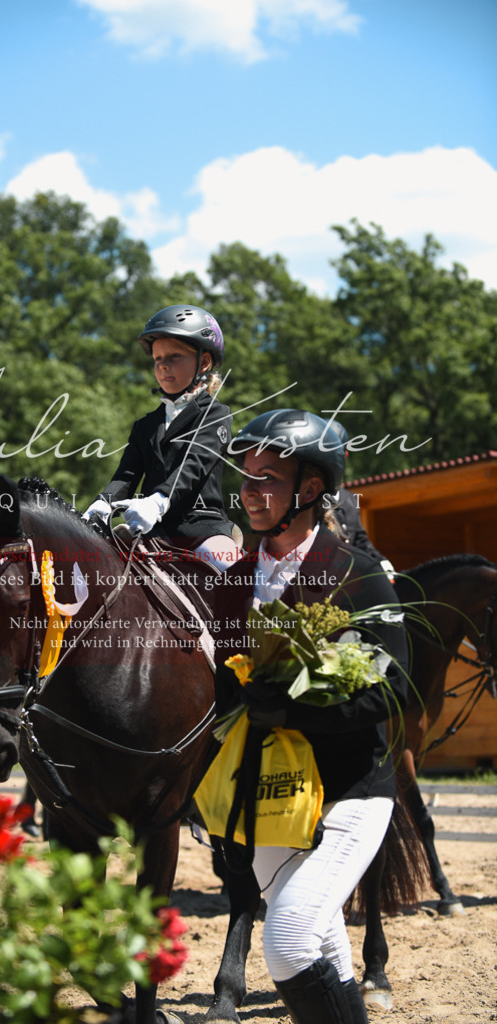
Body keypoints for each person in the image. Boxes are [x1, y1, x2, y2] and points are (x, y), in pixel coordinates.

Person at [213, 409, 408, 1024]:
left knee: (289, 941)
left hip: (351, 789)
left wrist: (295, 711)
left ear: (312, 488)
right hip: (269, 793)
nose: (250, 490)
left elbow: (395, 692)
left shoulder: (357, 572)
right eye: (246, 478)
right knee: (323, 945)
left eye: (267, 477)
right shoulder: (237, 580)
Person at [84, 304, 239, 569]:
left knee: (236, 576)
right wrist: (102, 502)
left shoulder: (215, 414)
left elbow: (193, 465)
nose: (163, 366)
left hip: (201, 530)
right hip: (148, 529)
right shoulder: (145, 425)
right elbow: (126, 476)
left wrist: (157, 501)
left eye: (175, 356)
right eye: (157, 359)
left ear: (203, 362)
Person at [328, 420, 395, 578]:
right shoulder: (306, 498)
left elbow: (360, 542)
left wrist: (383, 564)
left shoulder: (350, 499)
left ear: (345, 456)